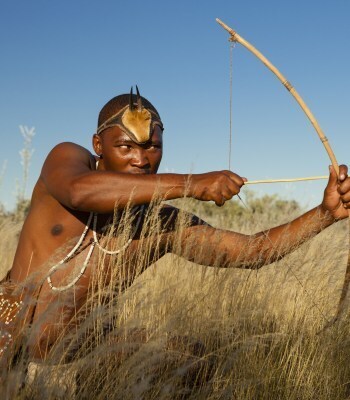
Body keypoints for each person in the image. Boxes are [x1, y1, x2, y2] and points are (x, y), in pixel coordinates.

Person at [1, 87, 350, 364]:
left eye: (153, 147)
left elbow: (252, 252)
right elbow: (79, 193)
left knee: (189, 359)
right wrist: (192, 184)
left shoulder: (161, 222)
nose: (141, 159)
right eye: (126, 146)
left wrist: (325, 213)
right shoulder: (68, 160)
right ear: (98, 145)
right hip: (10, 327)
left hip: (83, 346)